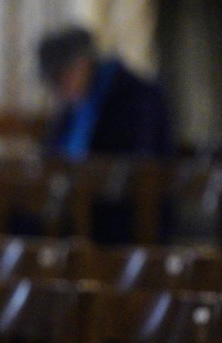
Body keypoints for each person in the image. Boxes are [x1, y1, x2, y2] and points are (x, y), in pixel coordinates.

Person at [36, 26, 175, 244]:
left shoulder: (137, 95)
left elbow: (138, 166)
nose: (57, 90)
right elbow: (51, 156)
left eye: (59, 78)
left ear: (82, 64)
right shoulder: (73, 104)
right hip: (77, 205)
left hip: (122, 212)